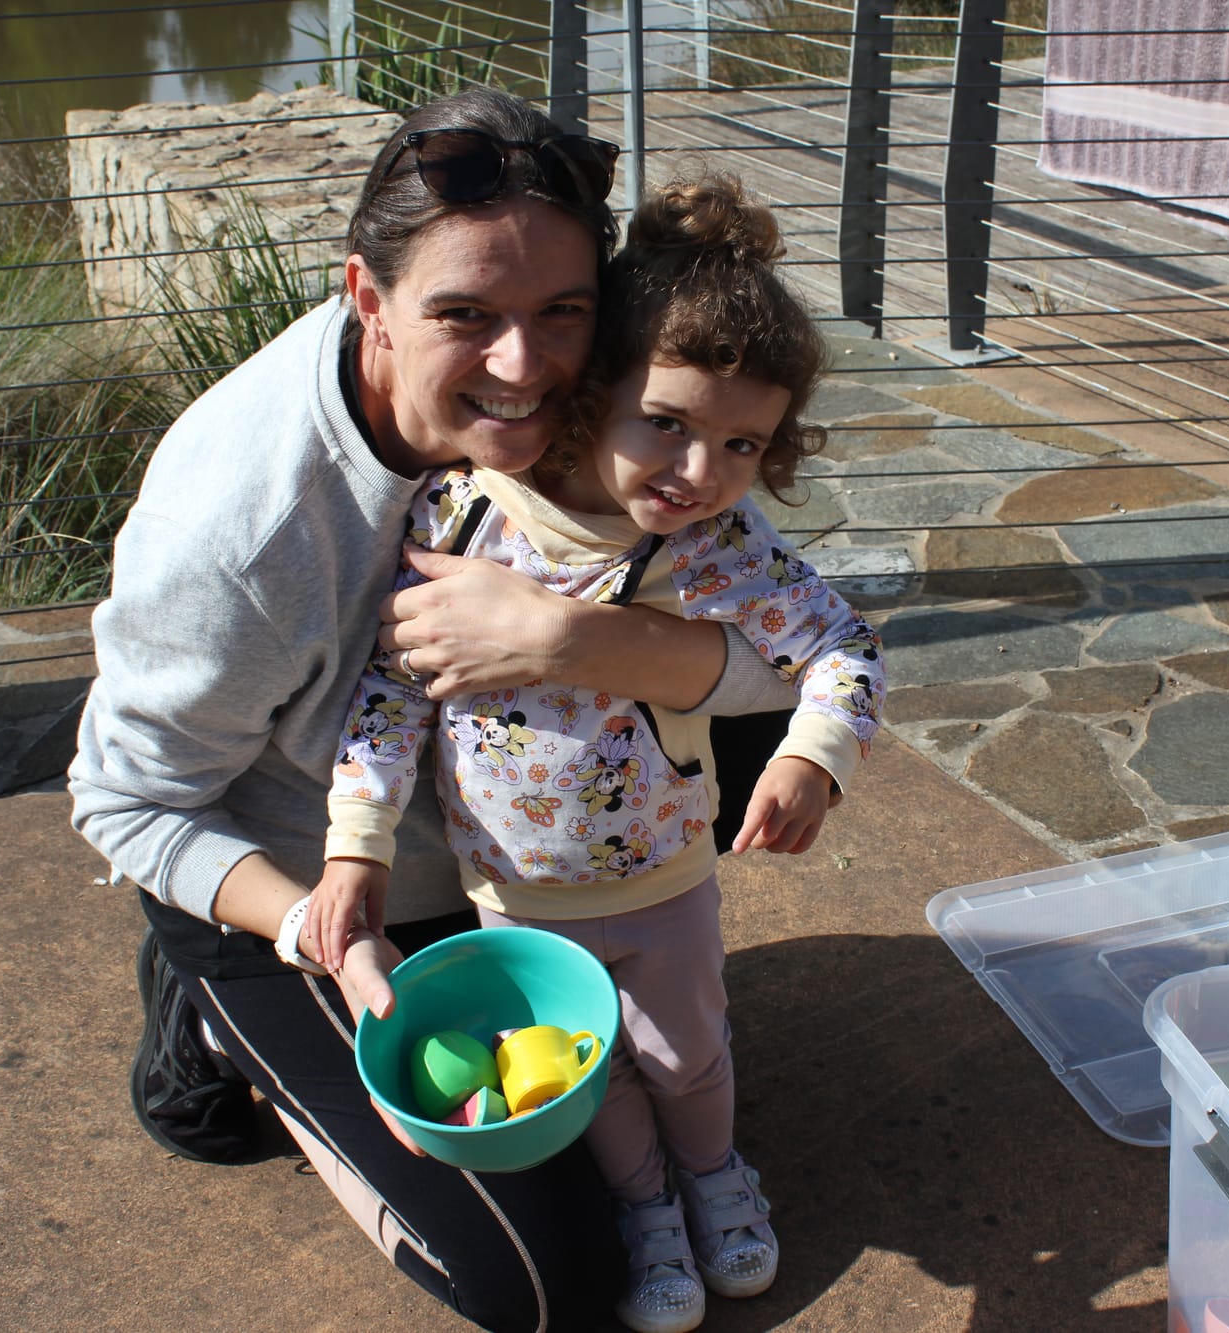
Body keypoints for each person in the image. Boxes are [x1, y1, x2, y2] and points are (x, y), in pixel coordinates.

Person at [68, 89, 801, 1333]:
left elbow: (782, 659)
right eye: (463, 317)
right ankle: (209, 1007)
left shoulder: (614, 406)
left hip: (507, 836)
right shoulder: (236, 531)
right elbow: (122, 798)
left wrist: (569, 637)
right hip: (311, 871)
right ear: (367, 296)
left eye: (560, 314)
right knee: (546, 1286)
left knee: (751, 712)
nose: (522, 370)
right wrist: (313, 922)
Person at [307, 171, 887, 1333]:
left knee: (685, 1048)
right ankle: (643, 1207)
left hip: (665, 876)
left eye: (740, 443)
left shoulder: (715, 544)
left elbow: (840, 645)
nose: (696, 470)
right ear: (592, 396)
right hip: (511, 890)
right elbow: (389, 694)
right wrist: (353, 847)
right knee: (590, 1068)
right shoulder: (466, 516)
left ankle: (717, 1176)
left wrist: (809, 757)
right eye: (663, 423)